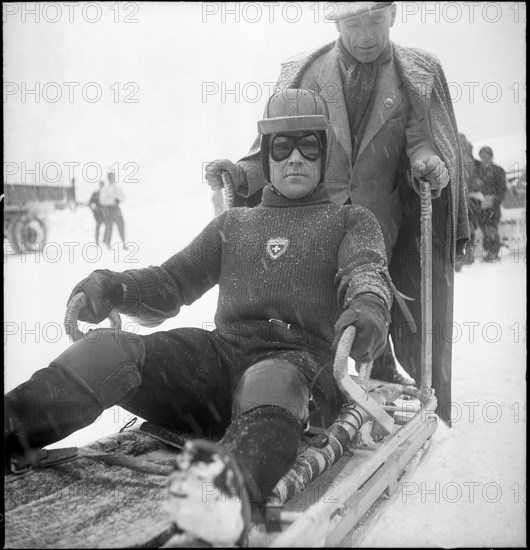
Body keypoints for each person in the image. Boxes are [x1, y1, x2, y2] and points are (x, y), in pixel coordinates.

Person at [5, 90, 395, 546]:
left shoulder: (350, 221)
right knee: (109, 350)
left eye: (309, 146)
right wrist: (115, 287)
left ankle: (217, 510)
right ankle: (14, 425)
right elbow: (171, 282)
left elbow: (365, 269)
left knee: (269, 378)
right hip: (220, 363)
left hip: (299, 370)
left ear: (324, 155)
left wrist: (369, 303)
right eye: (282, 146)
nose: (295, 158)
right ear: (265, 155)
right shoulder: (235, 225)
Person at [204, 1, 470, 424]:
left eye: (375, 22)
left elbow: (423, 137)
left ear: (393, 16)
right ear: (337, 23)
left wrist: (429, 163)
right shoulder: (305, 73)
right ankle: (309, 398)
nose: (365, 36)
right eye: (354, 24)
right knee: (313, 314)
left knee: (376, 306)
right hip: (314, 221)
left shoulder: (415, 74)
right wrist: (241, 174)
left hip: (382, 223)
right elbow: (275, 147)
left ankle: (413, 398)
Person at [455, 133, 483, 270]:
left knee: (464, 229)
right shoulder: (474, 162)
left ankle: (463, 259)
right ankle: (467, 258)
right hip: (473, 200)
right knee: (470, 229)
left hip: (466, 200)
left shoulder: (460, 160)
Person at [476, 146, 507, 261]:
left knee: (491, 228)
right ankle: (488, 251)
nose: (483, 158)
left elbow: (502, 188)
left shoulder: (498, 170)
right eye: (481, 156)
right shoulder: (478, 171)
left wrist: (496, 201)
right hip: (481, 204)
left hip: (492, 204)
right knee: (484, 228)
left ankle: (494, 252)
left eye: (485, 155)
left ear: (491, 156)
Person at [99, 171, 127, 249]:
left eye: (113, 177)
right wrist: (111, 201)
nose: (112, 179)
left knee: (121, 226)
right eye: (110, 177)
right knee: (109, 227)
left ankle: (124, 243)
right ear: (108, 178)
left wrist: (118, 199)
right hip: (109, 210)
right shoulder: (105, 189)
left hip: (116, 209)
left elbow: (123, 197)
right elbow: (102, 201)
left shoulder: (117, 188)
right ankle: (107, 244)